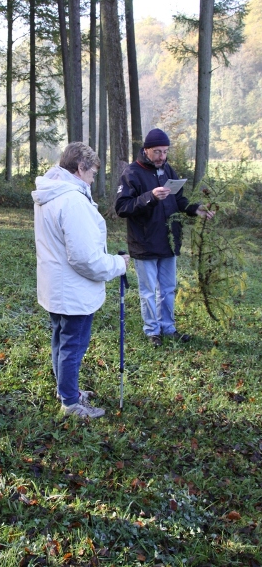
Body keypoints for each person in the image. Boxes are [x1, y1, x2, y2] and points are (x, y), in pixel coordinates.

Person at [32, 142, 129, 419]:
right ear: (80, 168)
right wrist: (117, 264)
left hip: (57, 285)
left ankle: (66, 390)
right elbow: (84, 258)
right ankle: (71, 403)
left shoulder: (52, 193)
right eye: (92, 173)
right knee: (72, 345)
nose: (93, 179)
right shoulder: (72, 200)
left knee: (61, 340)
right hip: (73, 290)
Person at [115, 128, 215, 347]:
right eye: (157, 152)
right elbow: (122, 207)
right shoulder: (132, 173)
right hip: (144, 242)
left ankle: (168, 328)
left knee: (168, 289)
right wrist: (149, 197)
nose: (162, 156)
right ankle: (152, 331)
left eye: (165, 152)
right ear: (146, 150)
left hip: (169, 241)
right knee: (148, 292)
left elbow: (178, 200)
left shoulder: (168, 169)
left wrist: (196, 209)